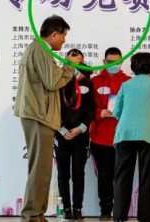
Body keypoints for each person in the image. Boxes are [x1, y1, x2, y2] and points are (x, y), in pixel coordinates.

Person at [14, 15, 81, 222]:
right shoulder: (41, 49)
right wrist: (69, 66)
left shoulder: (38, 49)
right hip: (38, 115)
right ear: (54, 34)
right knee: (40, 169)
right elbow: (53, 81)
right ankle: (32, 215)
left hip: (38, 115)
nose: (64, 40)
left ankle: (36, 214)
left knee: (41, 169)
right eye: (63, 35)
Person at [112, 52, 150, 222]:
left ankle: (119, 217)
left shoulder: (126, 85)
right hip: (149, 134)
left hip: (124, 134)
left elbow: (117, 112)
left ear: (133, 67)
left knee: (122, 177)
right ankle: (146, 218)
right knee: (148, 178)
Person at [55, 49, 97, 222]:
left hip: (80, 135)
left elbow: (91, 109)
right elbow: (53, 107)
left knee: (78, 173)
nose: (76, 61)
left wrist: (82, 127)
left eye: (79, 59)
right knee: (63, 173)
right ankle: (66, 209)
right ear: (66, 59)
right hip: (62, 134)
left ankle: (78, 209)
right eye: (72, 58)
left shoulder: (86, 81)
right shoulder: (58, 79)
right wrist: (61, 129)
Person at [90, 47, 131, 221]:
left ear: (122, 62)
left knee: (122, 177)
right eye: (109, 62)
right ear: (104, 62)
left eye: (117, 62)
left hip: (123, 137)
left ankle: (121, 212)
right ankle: (105, 211)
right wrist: (99, 112)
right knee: (105, 176)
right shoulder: (94, 81)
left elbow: (134, 108)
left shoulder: (128, 82)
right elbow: (87, 107)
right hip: (100, 138)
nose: (113, 64)